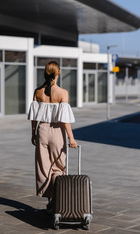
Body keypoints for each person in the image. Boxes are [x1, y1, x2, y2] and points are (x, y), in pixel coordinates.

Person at [28, 61, 77, 210]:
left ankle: (50, 199)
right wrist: (71, 138)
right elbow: (65, 121)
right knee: (58, 167)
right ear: (58, 73)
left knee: (44, 166)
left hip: (42, 131)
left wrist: (33, 134)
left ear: (45, 73)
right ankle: (58, 199)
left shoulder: (38, 92)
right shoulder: (63, 93)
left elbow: (34, 117)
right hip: (57, 133)